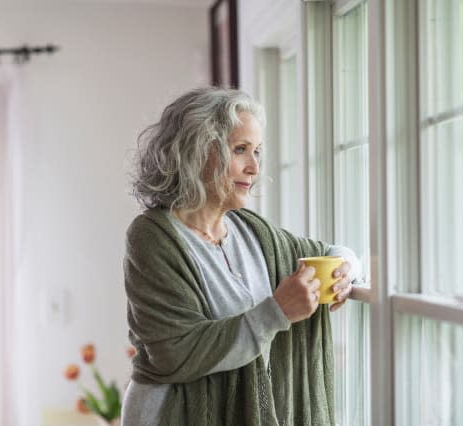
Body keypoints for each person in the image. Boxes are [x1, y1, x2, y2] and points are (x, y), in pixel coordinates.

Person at [122, 87, 361, 425]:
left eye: (258, 152)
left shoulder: (251, 230)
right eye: (240, 150)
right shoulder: (153, 237)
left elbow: (332, 253)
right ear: (195, 153)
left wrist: (345, 272)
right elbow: (172, 351)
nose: (254, 167)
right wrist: (276, 312)